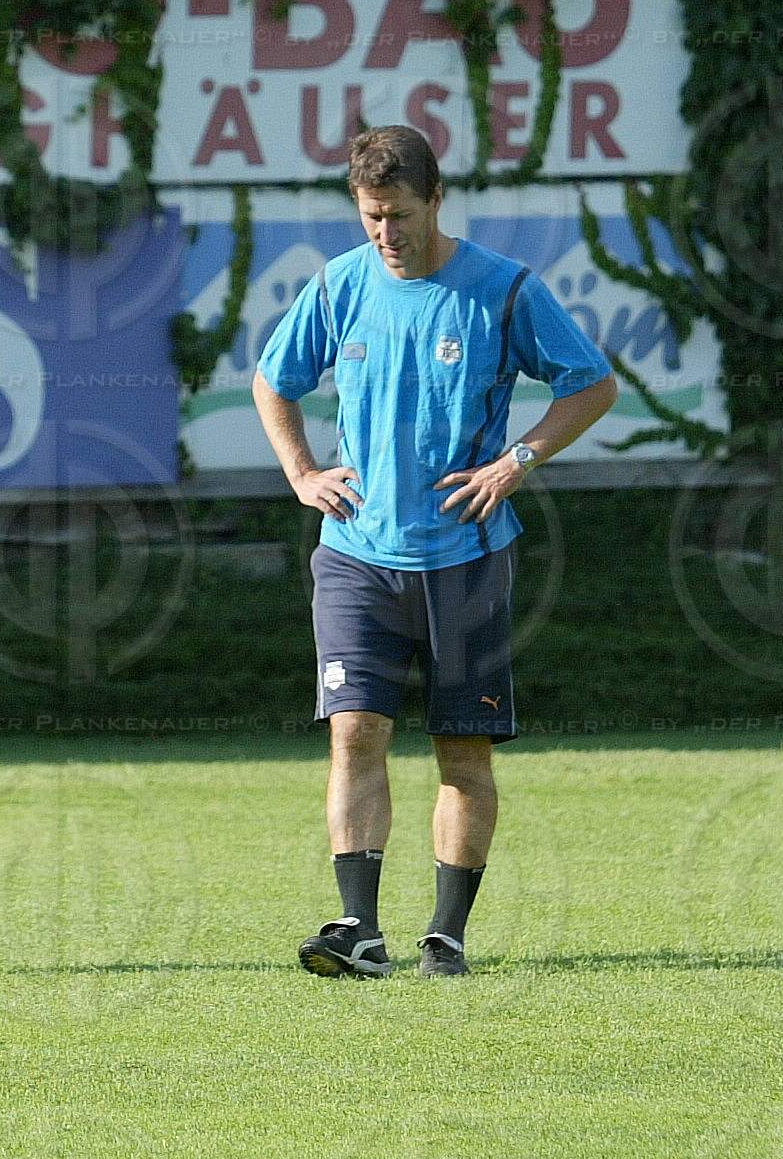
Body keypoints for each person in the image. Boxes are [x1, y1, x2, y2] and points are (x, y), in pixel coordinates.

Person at [250, 125, 616, 979]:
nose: (387, 233)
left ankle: (445, 937)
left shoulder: (503, 289)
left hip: (465, 559)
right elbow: (274, 380)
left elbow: (592, 383)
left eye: (401, 215)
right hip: (356, 554)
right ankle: (358, 929)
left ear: (437, 199)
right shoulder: (339, 286)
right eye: (372, 216)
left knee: (462, 751)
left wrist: (517, 461)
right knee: (355, 734)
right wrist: (301, 472)